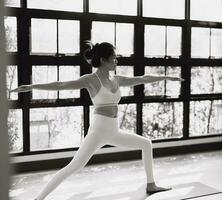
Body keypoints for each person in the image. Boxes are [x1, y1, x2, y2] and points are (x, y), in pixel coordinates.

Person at [11, 41, 185, 200]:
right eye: (114, 58)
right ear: (103, 60)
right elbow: (61, 85)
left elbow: (143, 79)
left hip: (114, 131)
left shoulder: (116, 79)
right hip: (98, 132)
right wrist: (31, 87)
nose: (117, 61)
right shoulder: (90, 80)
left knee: (146, 144)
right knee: (74, 166)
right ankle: (38, 199)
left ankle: (151, 184)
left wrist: (167, 78)